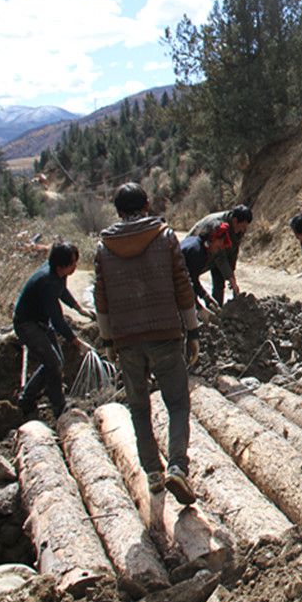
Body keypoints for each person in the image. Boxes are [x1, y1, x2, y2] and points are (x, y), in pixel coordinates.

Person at [94, 183, 199, 505]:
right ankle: (178, 467)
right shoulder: (165, 237)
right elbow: (183, 285)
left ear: (118, 211)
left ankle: (153, 472)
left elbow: (101, 298)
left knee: (139, 407)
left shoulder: (104, 248)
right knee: (177, 403)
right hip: (165, 332)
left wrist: (108, 339)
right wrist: (192, 330)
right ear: (147, 204)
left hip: (127, 339)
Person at [14, 242, 94, 418]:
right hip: (27, 324)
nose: (75, 266)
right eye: (72, 263)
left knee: (55, 362)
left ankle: (28, 398)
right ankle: (57, 406)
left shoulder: (57, 274)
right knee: (53, 363)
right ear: (60, 266)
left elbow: (62, 291)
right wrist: (77, 342)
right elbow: (57, 320)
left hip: (41, 321)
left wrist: (79, 308)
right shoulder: (47, 282)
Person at [188, 205, 253, 306]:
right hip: (200, 250)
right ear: (235, 221)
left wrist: (232, 276)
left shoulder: (238, 230)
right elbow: (220, 256)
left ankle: (216, 309)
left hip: (215, 252)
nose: (243, 230)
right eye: (243, 226)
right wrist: (231, 278)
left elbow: (233, 252)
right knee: (191, 280)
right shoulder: (219, 226)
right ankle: (195, 308)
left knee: (219, 283)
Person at [181, 223, 232, 315]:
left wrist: (205, 296)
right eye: (220, 241)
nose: (221, 246)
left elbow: (192, 279)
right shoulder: (197, 253)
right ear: (212, 239)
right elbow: (186, 284)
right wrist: (199, 308)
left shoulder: (195, 242)